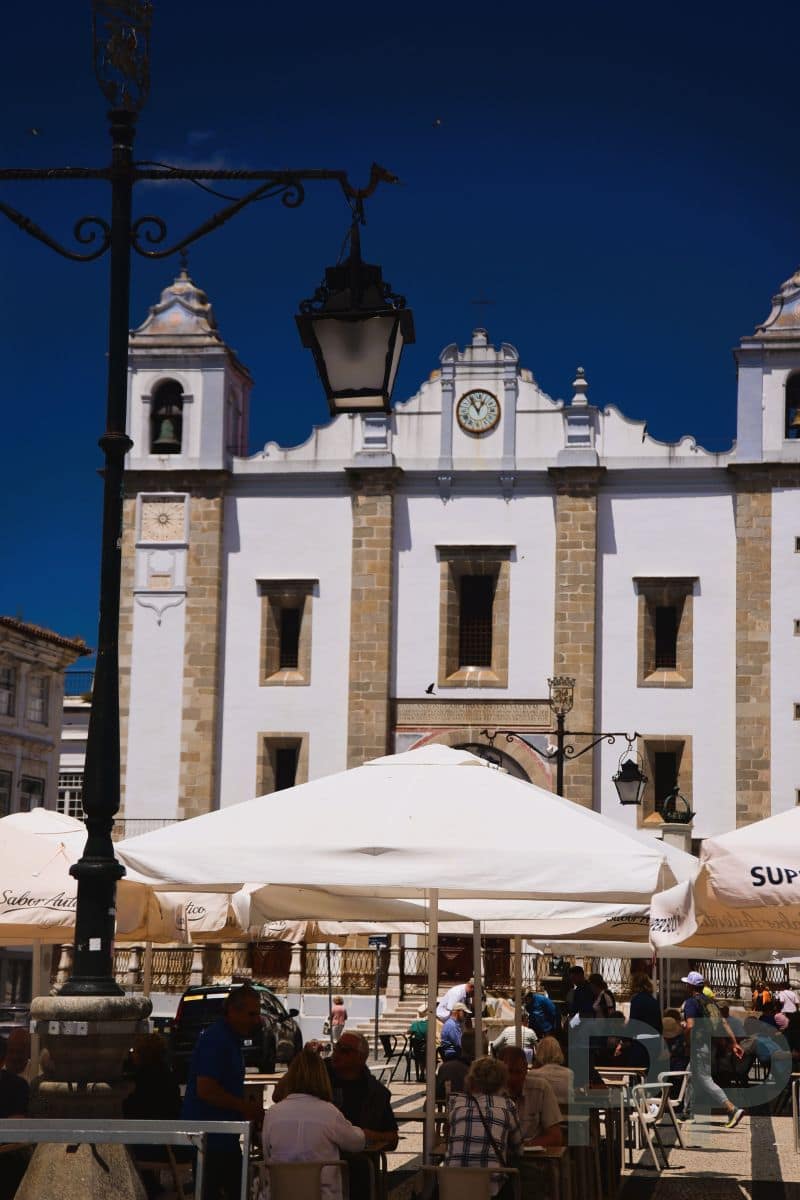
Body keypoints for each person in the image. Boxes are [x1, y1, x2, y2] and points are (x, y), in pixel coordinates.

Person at [182, 983, 264, 1200]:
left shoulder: (231, 1040)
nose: (257, 1020)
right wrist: (245, 1107)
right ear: (233, 1011)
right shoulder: (216, 1040)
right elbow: (206, 1089)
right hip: (210, 1137)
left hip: (223, 1136)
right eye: (251, 1014)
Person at [263, 1048, 368, 1200]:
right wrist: (359, 1130)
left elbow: (267, 1154)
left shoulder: (273, 1113)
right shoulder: (329, 1112)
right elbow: (356, 1143)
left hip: (280, 1194)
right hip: (322, 1195)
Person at [324, 1032, 398, 1200]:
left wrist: (368, 1135)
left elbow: (393, 1139)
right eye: (336, 1048)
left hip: (356, 1165)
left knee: (359, 1168)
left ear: (360, 1057)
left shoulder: (376, 1093)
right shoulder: (320, 1077)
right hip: (321, 1161)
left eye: (344, 1050)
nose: (337, 1054)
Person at [445, 1056, 522, 1197]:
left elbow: (449, 1138)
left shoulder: (456, 1103)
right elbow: (519, 1148)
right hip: (491, 1190)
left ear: (471, 1080)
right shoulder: (507, 1105)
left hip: (452, 1188)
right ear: (502, 1081)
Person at [681, 970, 745, 1128]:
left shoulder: (690, 1002)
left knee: (705, 1080)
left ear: (690, 986)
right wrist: (735, 1043)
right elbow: (724, 1023)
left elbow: (690, 1025)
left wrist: (687, 1042)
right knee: (690, 1076)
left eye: (686, 984)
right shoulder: (710, 1002)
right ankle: (688, 1112)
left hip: (698, 1046)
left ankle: (732, 1108)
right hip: (709, 1045)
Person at [499, 1046, 562, 1147]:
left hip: (534, 1158)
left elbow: (555, 1137)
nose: (514, 1078)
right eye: (509, 1072)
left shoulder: (541, 1088)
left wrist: (523, 1146)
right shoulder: (492, 1091)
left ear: (526, 1069)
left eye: (518, 1072)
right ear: (500, 1072)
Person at [626, 972, 663, 1070]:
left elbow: (633, 1023)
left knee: (636, 1072)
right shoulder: (654, 1001)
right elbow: (659, 1024)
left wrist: (626, 1040)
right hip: (654, 1041)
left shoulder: (636, 1000)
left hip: (641, 1042)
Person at [531, 1036, 574, 1111]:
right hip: (565, 1118)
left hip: (542, 1119)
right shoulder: (569, 1073)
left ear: (539, 1052)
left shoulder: (533, 1074)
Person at [436, 1029, 475, 1100]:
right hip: (451, 1054)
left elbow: (438, 1093)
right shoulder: (481, 1070)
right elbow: (457, 1043)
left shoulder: (446, 1067)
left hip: (451, 1103)